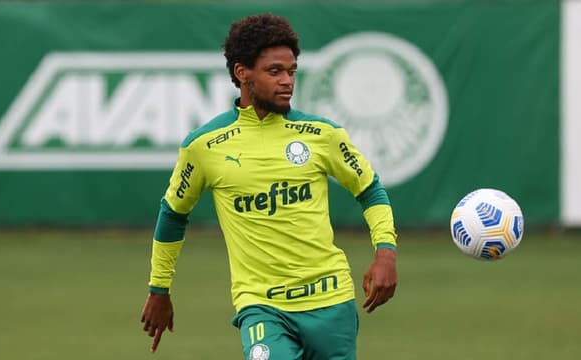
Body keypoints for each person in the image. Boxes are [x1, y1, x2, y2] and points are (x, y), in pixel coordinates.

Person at [141, 13, 398, 360]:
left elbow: (370, 190)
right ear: (242, 73)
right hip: (261, 306)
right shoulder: (204, 145)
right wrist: (159, 289)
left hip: (331, 301)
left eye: (291, 71)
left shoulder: (322, 135)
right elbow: (173, 215)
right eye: (274, 71)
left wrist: (385, 252)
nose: (287, 81)